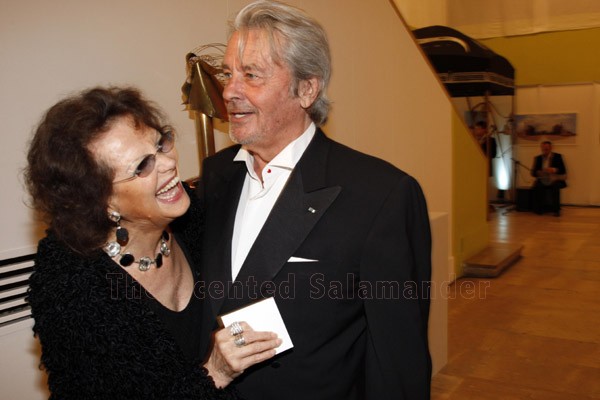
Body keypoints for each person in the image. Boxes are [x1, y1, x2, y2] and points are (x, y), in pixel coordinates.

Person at [196, 1, 432, 399]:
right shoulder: (217, 174)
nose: (229, 91)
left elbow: (398, 361)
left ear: (307, 89)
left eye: (251, 75)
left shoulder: (381, 196)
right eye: (228, 74)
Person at [24, 86, 281, 399]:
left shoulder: (193, 221)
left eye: (161, 144)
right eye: (142, 166)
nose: (168, 163)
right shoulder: (69, 288)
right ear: (101, 201)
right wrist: (214, 373)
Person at [530, 140, 567, 216]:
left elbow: (563, 170)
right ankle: (539, 208)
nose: (545, 150)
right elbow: (533, 173)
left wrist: (553, 169)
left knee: (555, 186)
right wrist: (538, 172)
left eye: (547, 149)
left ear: (551, 148)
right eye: (543, 149)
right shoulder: (538, 158)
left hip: (554, 179)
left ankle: (556, 210)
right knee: (537, 186)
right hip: (543, 179)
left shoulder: (557, 157)